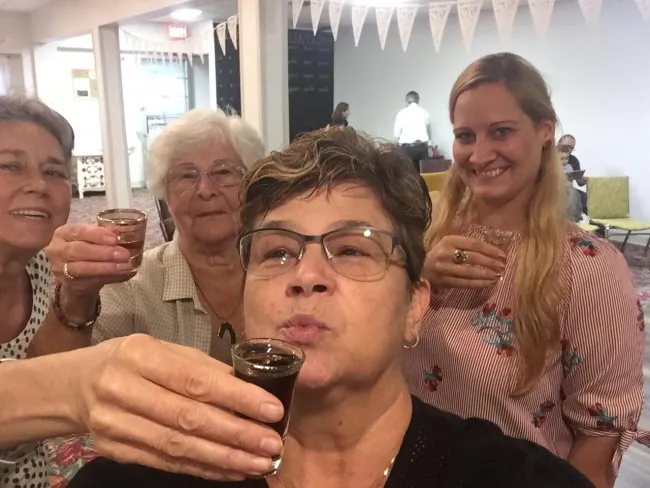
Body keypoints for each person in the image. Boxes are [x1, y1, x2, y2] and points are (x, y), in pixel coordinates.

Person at [69, 129, 593, 488]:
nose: (306, 275)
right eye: (277, 251)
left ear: (415, 305)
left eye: (352, 250)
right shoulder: (150, 475)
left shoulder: (514, 477)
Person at [405, 52, 648, 488]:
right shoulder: (424, 240)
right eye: (465, 135)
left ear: (544, 131)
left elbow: (598, 439)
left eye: (501, 132)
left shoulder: (587, 267)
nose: (480, 154)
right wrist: (413, 278)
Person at [29, 108, 265, 363]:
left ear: (251, 184)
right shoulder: (130, 285)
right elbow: (53, 372)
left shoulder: (284, 270)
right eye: (187, 176)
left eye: (223, 172)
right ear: (165, 196)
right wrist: (75, 297)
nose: (205, 190)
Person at [0, 335, 287, 481]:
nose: (305, 277)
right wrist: (72, 387)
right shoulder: (123, 478)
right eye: (277, 253)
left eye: (335, 252)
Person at [0, 95, 75, 488]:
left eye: (54, 171)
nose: (39, 185)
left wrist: (80, 292)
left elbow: (46, 369)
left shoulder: (40, 268)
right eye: (10, 166)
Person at [394, 90, 431, 173]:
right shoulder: (425, 113)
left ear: (406, 101)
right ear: (418, 100)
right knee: (423, 175)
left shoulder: (401, 113)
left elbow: (396, 135)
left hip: (407, 149)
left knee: (408, 175)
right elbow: (429, 134)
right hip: (422, 148)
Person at [558, 134, 587, 213]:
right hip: (553, 188)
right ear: (559, 143)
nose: (570, 150)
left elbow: (579, 183)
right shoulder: (549, 156)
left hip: (569, 188)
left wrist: (582, 181)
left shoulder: (574, 160)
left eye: (572, 148)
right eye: (568, 146)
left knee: (586, 199)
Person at [558, 145, 583, 222]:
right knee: (571, 195)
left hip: (569, 188)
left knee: (576, 195)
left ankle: (575, 217)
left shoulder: (569, 167)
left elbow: (574, 180)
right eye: (562, 159)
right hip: (558, 188)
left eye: (567, 158)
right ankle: (568, 218)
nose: (565, 161)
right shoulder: (554, 167)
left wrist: (579, 177)